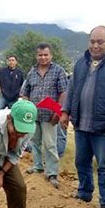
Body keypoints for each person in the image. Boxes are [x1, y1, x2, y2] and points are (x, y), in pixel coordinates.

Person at [60, 26, 105, 208]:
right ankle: (84, 192)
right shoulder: (80, 64)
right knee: (81, 162)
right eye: (92, 41)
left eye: (100, 42)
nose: (96, 46)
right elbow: (72, 90)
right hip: (81, 123)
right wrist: (66, 112)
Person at [20, 43, 68, 189]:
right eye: (40, 55)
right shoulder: (31, 72)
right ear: (37, 56)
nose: (43, 57)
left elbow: (64, 93)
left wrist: (58, 111)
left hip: (50, 114)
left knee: (50, 143)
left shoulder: (58, 71)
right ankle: (38, 166)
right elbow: (25, 93)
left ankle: (52, 172)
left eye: (46, 54)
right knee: (35, 142)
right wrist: (27, 109)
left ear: (50, 55)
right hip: (34, 115)